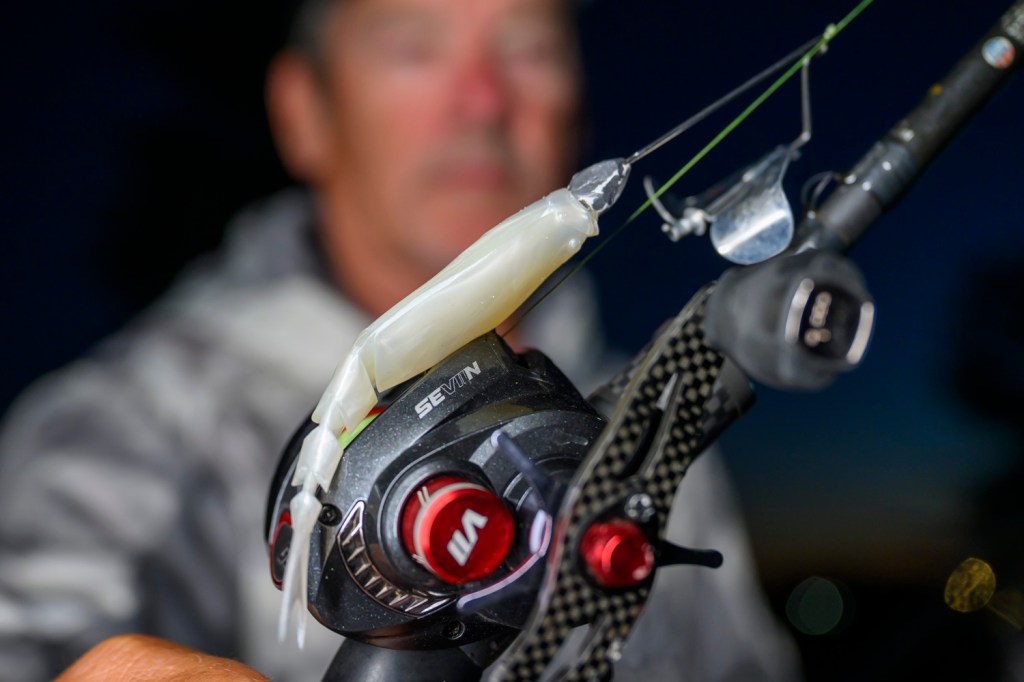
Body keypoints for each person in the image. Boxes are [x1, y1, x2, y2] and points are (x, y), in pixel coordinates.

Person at [0, 0, 799, 680]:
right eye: (413, 48)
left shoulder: (661, 404)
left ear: (576, 104)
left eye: (529, 49)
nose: (482, 100)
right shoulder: (120, 425)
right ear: (305, 113)